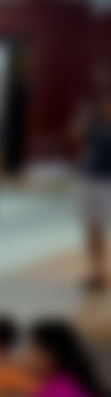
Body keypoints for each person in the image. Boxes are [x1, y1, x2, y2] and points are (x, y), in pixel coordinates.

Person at [73, 64, 111, 292]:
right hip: (89, 174)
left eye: (105, 73)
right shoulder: (90, 104)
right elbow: (75, 135)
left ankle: (103, 271)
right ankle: (95, 271)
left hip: (108, 178)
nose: (101, 78)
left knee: (102, 226)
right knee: (90, 226)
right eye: (99, 74)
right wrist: (83, 121)